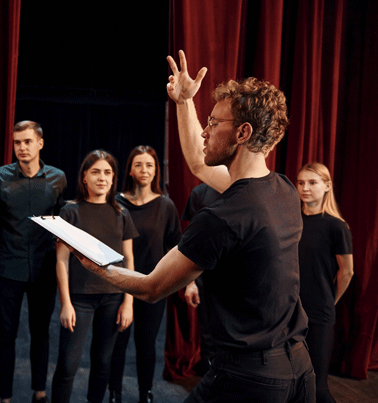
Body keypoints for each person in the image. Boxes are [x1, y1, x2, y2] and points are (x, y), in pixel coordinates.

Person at [66, 50, 315, 403]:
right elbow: (200, 164)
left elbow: (152, 287)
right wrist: (185, 102)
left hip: (248, 379)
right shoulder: (284, 190)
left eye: (213, 123)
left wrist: (97, 266)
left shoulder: (221, 217)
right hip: (297, 367)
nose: (205, 131)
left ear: (243, 132)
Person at [0, 120, 66, 403]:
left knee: (41, 333)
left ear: (40, 143)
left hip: (43, 269)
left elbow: (65, 227)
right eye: (17, 142)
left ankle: (39, 393)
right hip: (6, 268)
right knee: (5, 334)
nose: (22, 148)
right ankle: (5, 397)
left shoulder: (58, 178)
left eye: (27, 142)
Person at [52, 150, 138, 403]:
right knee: (68, 364)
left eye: (108, 172)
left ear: (114, 179)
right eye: (96, 172)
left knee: (102, 363)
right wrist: (65, 303)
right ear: (84, 178)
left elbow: (129, 260)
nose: (102, 177)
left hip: (113, 298)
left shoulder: (122, 213)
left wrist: (129, 302)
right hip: (79, 299)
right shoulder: (70, 213)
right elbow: (60, 260)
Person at [108, 146, 182, 403]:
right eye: (139, 164)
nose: (144, 170)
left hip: (153, 285)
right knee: (117, 343)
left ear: (156, 170)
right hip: (120, 285)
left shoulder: (166, 205)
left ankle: (145, 394)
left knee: (146, 343)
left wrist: (189, 282)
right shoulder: (117, 203)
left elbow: (176, 246)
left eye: (149, 165)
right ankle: (114, 393)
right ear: (130, 169)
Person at [296, 162, 353, 403]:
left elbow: (347, 272)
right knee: (291, 381)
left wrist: (330, 300)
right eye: (300, 182)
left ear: (327, 186)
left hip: (319, 313)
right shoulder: (292, 221)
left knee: (318, 388)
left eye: (312, 182)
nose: (305, 188)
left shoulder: (336, 226)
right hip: (287, 312)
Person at [181, 183, 220, 374]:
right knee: (208, 337)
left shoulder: (244, 186)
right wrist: (190, 282)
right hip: (206, 277)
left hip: (240, 279)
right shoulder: (200, 192)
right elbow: (191, 240)